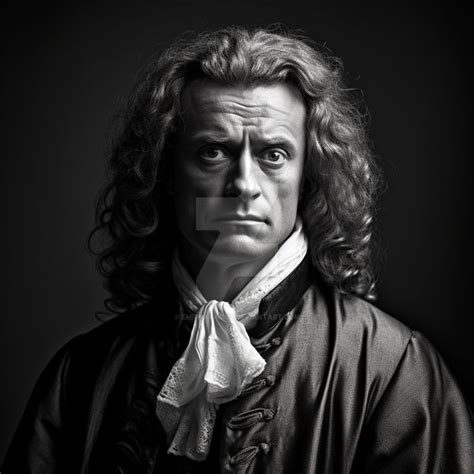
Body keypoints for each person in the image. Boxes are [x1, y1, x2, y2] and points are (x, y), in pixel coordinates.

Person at [2, 26, 472, 474]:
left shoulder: (393, 371)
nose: (243, 184)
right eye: (213, 152)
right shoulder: (82, 376)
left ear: (308, 176)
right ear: (167, 173)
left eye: (273, 154)